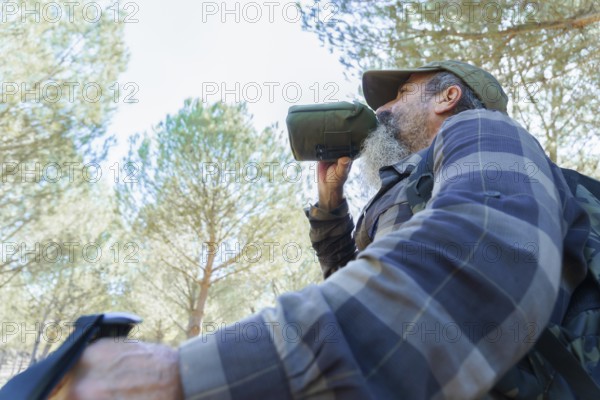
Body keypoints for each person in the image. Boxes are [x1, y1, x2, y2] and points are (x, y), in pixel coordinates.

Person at [53, 61, 589, 399]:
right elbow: (361, 287)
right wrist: (331, 210)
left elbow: (483, 261)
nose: (381, 106)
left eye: (402, 91)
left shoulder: (485, 130)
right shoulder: (409, 184)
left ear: (447, 98)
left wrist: (184, 374)